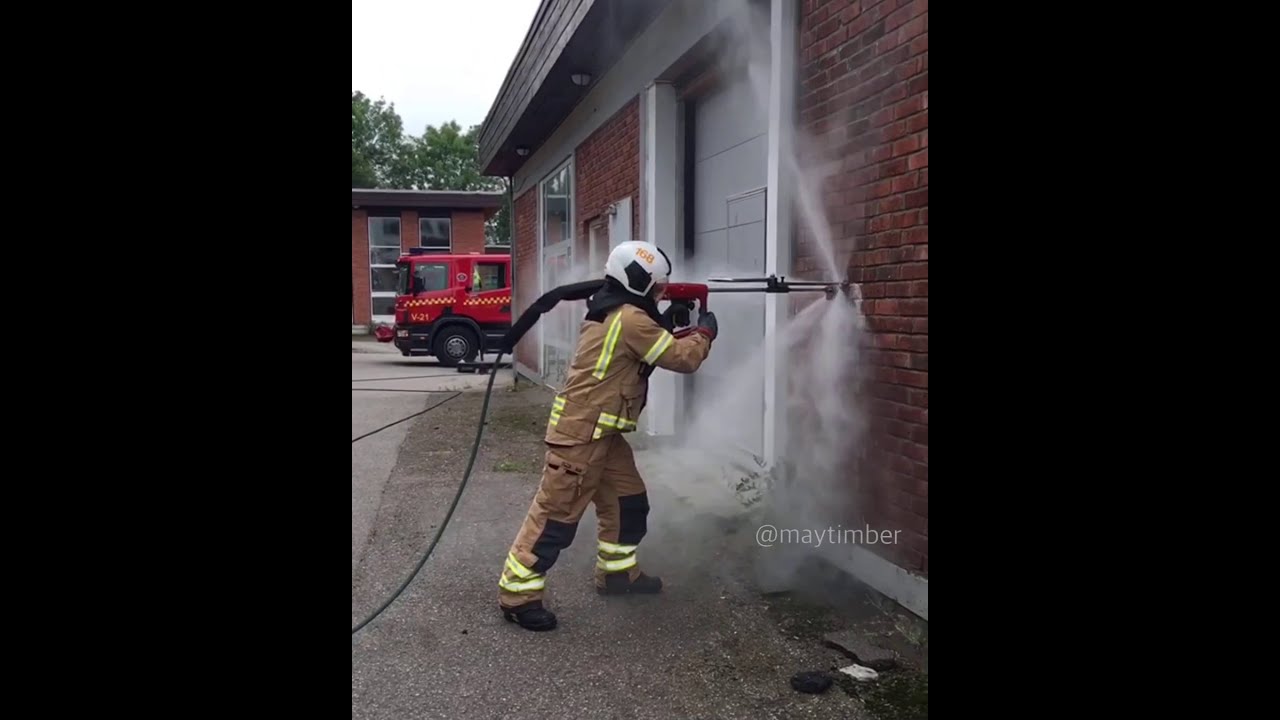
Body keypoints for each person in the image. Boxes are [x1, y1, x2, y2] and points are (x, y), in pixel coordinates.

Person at [496, 240, 718, 631]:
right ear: (639, 283)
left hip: (602, 434)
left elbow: (639, 353)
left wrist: (667, 322)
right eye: (657, 287)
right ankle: (518, 596)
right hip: (581, 437)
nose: (661, 293)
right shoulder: (630, 318)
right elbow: (681, 358)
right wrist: (703, 333)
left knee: (627, 503)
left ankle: (617, 575)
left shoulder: (616, 309)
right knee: (554, 520)